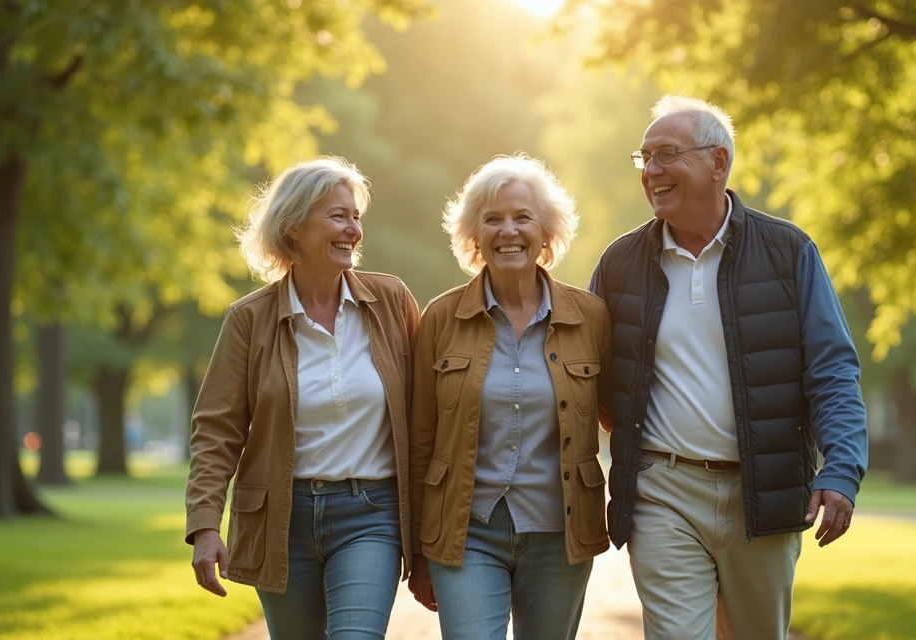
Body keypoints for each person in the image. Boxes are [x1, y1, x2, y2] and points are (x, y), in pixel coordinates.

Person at [588, 96, 869, 640]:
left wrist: (842, 470)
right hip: (660, 490)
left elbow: (832, 372)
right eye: (643, 158)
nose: (651, 171)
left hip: (762, 490)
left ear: (718, 163)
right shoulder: (619, 263)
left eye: (666, 154)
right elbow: (585, 375)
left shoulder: (789, 252)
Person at [184, 156, 421, 640]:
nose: (353, 229)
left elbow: (427, 412)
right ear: (293, 227)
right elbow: (217, 431)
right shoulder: (249, 320)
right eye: (338, 216)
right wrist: (205, 525)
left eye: (355, 217)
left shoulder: (391, 301)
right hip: (280, 518)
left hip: (370, 514)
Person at [406, 155, 611, 640]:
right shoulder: (441, 318)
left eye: (522, 217)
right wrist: (417, 549)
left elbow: (620, 418)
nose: (508, 231)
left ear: (546, 232)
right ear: (474, 235)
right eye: (492, 219)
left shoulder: (591, 316)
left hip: (560, 534)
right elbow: (420, 440)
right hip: (466, 531)